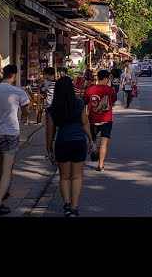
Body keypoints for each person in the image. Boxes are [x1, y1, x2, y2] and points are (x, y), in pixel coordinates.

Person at [46, 76, 94, 217]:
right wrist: (91, 140)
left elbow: (50, 130)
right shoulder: (79, 104)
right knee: (77, 176)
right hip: (79, 141)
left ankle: (66, 206)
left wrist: (49, 147)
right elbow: (85, 123)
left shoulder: (53, 109)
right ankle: (75, 207)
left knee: (64, 177)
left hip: (62, 142)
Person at [0, 64, 30, 214]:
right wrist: (22, 116)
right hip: (10, 132)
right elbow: (26, 111)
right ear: (14, 76)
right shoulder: (19, 91)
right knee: (7, 168)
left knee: (0, 161)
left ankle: (2, 191)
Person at [83, 70, 117, 172]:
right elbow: (114, 101)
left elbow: (84, 102)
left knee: (91, 139)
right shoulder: (110, 90)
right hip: (106, 119)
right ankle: (101, 165)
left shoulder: (90, 90)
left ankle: (92, 149)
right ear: (106, 79)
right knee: (104, 143)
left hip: (93, 119)